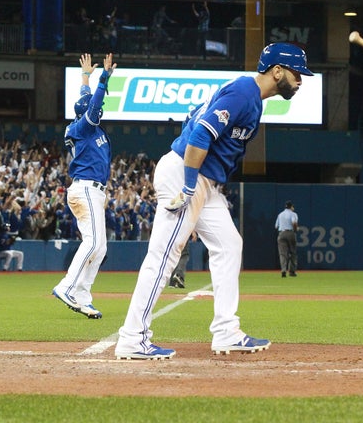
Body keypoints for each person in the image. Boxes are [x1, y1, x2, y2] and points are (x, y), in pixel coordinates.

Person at [115, 42, 314, 360]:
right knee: (164, 255)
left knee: (229, 245)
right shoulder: (242, 92)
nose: (301, 80)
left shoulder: (252, 100)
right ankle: (132, 337)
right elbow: (199, 136)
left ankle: (226, 332)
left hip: (202, 181)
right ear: (277, 71)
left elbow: (192, 121)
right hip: (187, 175)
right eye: (296, 73)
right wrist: (190, 186)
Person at [52, 53, 116, 320]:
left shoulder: (86, 127)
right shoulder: (84, 128)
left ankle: (82, 295)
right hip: (86, 189)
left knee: (100, 247)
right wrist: (104, 78)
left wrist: (85, 77)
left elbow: (85, 101)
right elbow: (92, 105)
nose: (97, 111)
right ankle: (66, 286)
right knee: (93, 242)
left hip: (93, 191)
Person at [275, 200, 299, 277]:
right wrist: (295, 230)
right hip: (290, 233)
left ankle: (283, 270)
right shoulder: (293, 214)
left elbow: (276, 226)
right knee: (293, 253)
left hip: (281, 233)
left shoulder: (280, 214)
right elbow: (294, 222)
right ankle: (291, 271)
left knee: (282, 254)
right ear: (291, 207)